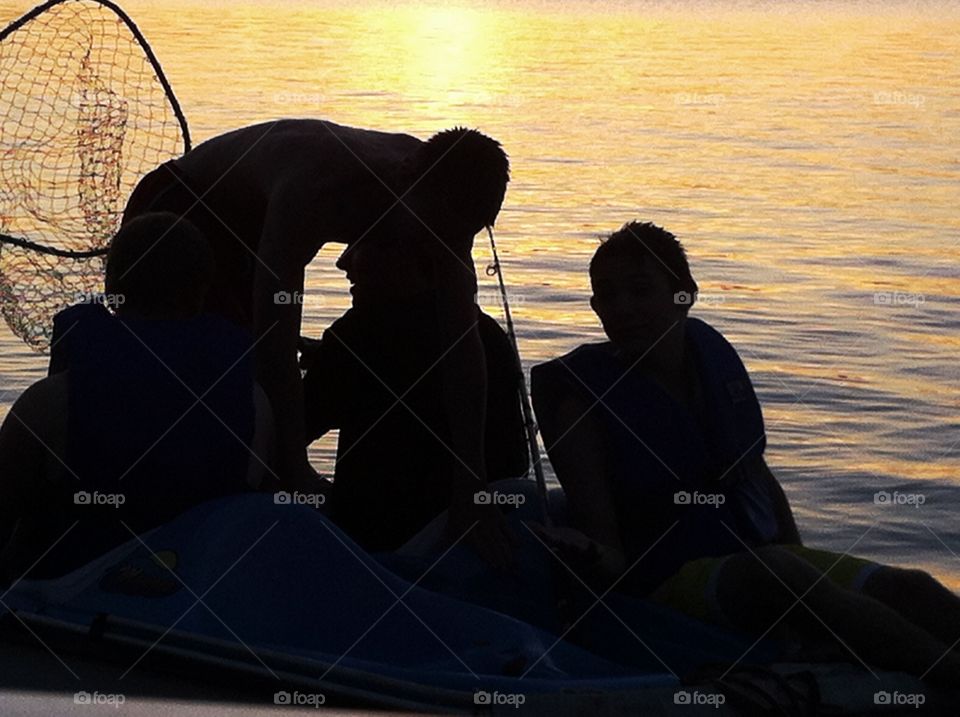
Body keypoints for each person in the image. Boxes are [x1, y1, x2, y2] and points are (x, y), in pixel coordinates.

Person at [530, 221, 960, 684]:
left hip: (759, 564)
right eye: (608, 297)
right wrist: (587, 552)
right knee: (777, 574)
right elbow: (611, 553)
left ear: (684, 296)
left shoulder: (710, 359)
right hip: (666, 582)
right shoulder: (582, 404)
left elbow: (756, 475)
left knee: (909, 587)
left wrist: (800, 559)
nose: (624, 309)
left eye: (640, 291)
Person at [121, 119, 515, 567]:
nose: (441, 250)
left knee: (248, 387)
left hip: (256, 227)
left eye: (453, 241)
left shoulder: (445, 207)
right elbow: (274, 345)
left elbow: (463, 350)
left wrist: (472, 482)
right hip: (186, 206)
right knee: (213, 368)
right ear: (405, 181)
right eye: (428, 236)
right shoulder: (317, 189)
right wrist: (296, 469)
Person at [0, 213, 273, 584]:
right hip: (195, 606)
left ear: (112, 288)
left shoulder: (49, 402)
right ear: (203, 290)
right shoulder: (253, 401)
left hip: (67, 612)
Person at [299, 235, 529, 552]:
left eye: (363, 242)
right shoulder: (487, 335)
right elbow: (514, 462)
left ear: (412, 257)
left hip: (375, 554)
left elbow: (285, 435)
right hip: (473, 552)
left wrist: (285, 372)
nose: (343, 261)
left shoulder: (359, 335)